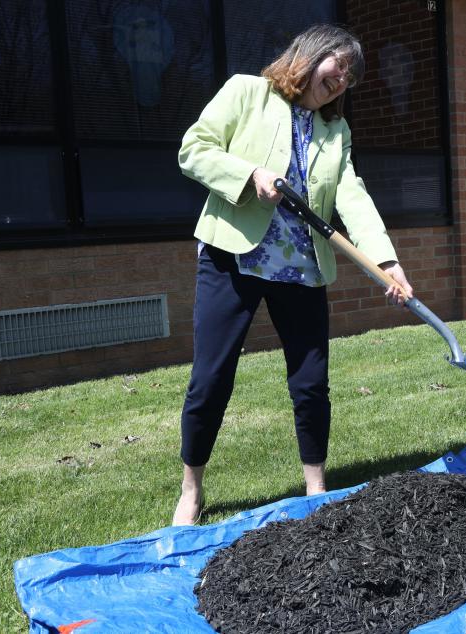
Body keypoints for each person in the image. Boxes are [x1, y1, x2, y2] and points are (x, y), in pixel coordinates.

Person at [172, 25, 413, 526]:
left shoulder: (335, 131)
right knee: (211, 378)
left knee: (310, 383)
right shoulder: (247, 92)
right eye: (338, 65)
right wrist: (247, 175)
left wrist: (386, 262)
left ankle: (315, 486)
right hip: (234, 258)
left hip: (301, 269)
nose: (342, 79)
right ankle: (192, 488)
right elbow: (193, 149)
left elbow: (352, 196)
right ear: (310, 54)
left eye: (351, 76)